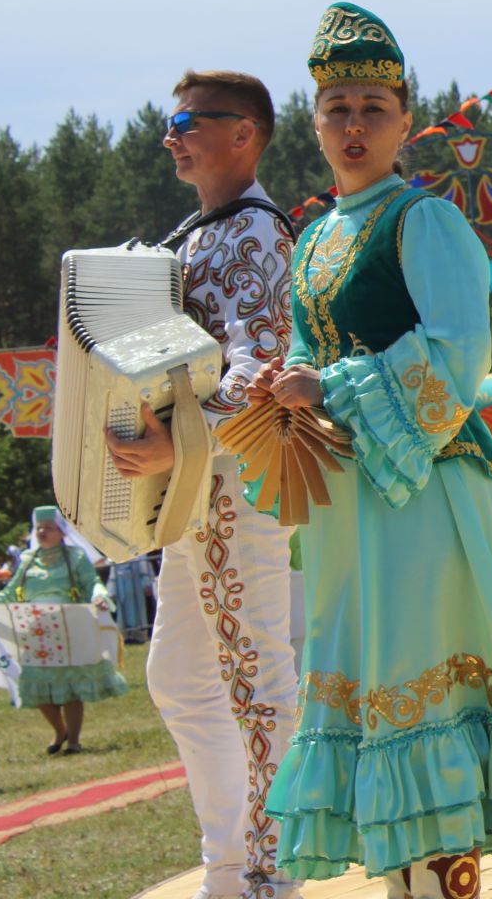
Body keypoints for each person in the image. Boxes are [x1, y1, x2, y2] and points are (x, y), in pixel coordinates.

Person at [248, 3, 492, 898]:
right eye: (336, 109)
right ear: (314, 124)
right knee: (368, 680)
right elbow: (310, 345)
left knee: (424, 677)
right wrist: (287, 388)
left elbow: (460, 352)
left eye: (371, 109)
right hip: (351, 496)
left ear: (404, 122)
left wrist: (337, 391)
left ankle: (443, 884)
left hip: (426, 487)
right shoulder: (315, 239)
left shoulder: (423, 222)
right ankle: (404, 886)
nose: (353, 127)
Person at [101, 68, 302, 899]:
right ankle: (232, 866)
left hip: (236, 485)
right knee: (182, 676)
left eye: (187, 121)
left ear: (243, 133)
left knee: (252, 677)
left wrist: (174, 447)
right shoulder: (197, 236)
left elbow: (266, 376)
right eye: (169, 121)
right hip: (199, 491)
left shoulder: (253, 235)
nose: (171, 135)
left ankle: (267, 874)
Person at [0, 506, 126, 753]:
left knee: (71, 687)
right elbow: (9, 593)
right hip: (35, 633)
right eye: (39, 527)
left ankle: (73, 740)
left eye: (48, 527)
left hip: (68, 629)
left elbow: (92, 583)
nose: (42, 531)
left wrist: (100, 596)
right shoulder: (28, 559)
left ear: (61, 531)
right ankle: (59, 730)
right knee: (36, 687)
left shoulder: (75, 557)